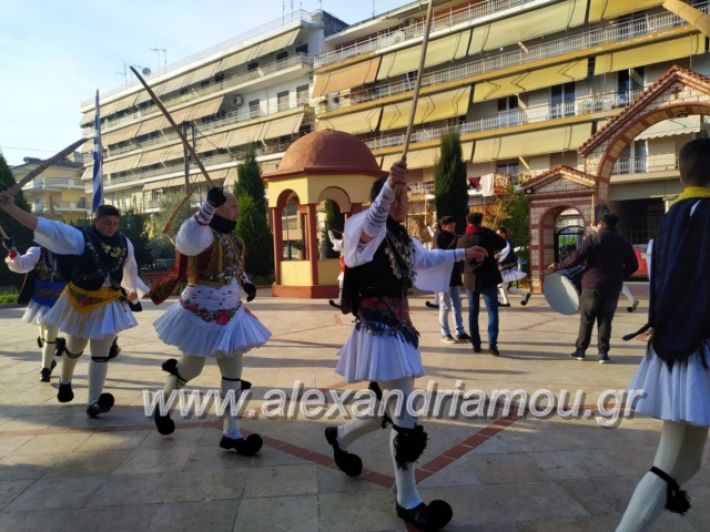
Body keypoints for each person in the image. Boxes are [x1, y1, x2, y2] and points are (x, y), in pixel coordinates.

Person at [324, 159, 487, 531]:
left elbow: (426, 258)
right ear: (384, 198)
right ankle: (407, 500)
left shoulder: (400, 236)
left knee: (388, 408)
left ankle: (339, 436)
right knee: (405, 418)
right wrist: (387, 189)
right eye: (400, 196)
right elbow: (373, 222)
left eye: (405, 195)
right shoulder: (363, 228)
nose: (404, 201)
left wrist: (465, 253)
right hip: (379, 329)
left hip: (399, 327)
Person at [616, 138, 710, 531]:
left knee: (684, 461)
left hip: (677, 346)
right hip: (700, 347)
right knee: (671, 460)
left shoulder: (670, 218)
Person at [0, 194, 147, 417]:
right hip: (80, 302)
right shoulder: (79, 237)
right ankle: (65, 380)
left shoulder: (125, 242)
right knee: (75, 348)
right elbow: (46, 227)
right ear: (95, 221)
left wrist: (133, 294)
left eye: (115, 223)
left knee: (101, 353)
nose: (111, 227)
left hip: (108, 302)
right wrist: (10, 208)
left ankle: (94, 402)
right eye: (107, 222)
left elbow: (130, 269)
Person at [152, 187, 271, 456]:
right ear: (218, 208)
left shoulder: (234, 239)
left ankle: (232, 432)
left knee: (233, 374)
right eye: (233, 206)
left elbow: (235, 269)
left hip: (231, 315)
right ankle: (163, 404)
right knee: (191, 368)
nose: (237, 211)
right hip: (198, 316)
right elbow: (187, 239)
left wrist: (247, 283)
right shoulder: (203, 233)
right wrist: (206, 207)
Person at [549, 211, 637, 363]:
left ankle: (580, 351)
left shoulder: (594, 238)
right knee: (606, 320)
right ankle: (603, 353)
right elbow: (633, 265)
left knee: (587, 319)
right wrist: (620, 276)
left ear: (601, 224)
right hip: (612, 287)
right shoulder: (623, 242)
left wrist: (558, 265)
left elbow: (576, 258)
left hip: (592, 285)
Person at [4, 241, 65, 381]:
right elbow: (21, 265)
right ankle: (50, 360)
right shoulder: (37, 252)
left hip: (59, 299)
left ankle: (45, 369)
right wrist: (12, 251)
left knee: (50, 332)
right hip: (40, 298)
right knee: (43, 333)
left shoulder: (68, 253)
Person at [457, 212, 507, 356]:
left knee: (473, 312)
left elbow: (458, 259)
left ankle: (476, 344)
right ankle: (492, 344)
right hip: (488, 278)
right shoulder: (487, 234)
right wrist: (488, 231)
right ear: (481, 222)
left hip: (470, 279)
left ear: (467, 222)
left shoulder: (462, 239)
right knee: (492, 311)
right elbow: (503, 243)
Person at [433, 215, 470, 343]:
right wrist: (455, 241)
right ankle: (445, 333)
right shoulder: (438, 237)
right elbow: (442, 255)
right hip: (443, 277)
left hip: (454, 275)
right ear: (443, 226)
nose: (454, 228)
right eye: (451, 226)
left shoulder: (454, 237)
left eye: (454, 226)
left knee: (457, 306)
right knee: (444, 306)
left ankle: (460, 331)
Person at [495, 227, 531, 307]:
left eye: (498, 234)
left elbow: (503, 254)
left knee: (501, 284)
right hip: (506, 266)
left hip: (507, 266)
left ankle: (506, 302)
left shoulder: (507, 243)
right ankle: (525, 294)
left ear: (503, 234)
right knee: (507, 287)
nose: (497, 235)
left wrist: (497, 258)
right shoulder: (504, 242)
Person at [327, 229, 344, 309]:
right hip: (344, 270)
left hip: (353, 268)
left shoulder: (353, 243)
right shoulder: (341, 243)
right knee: (341, 286)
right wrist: (329, 232)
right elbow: (333, 240)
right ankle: (340, 302)